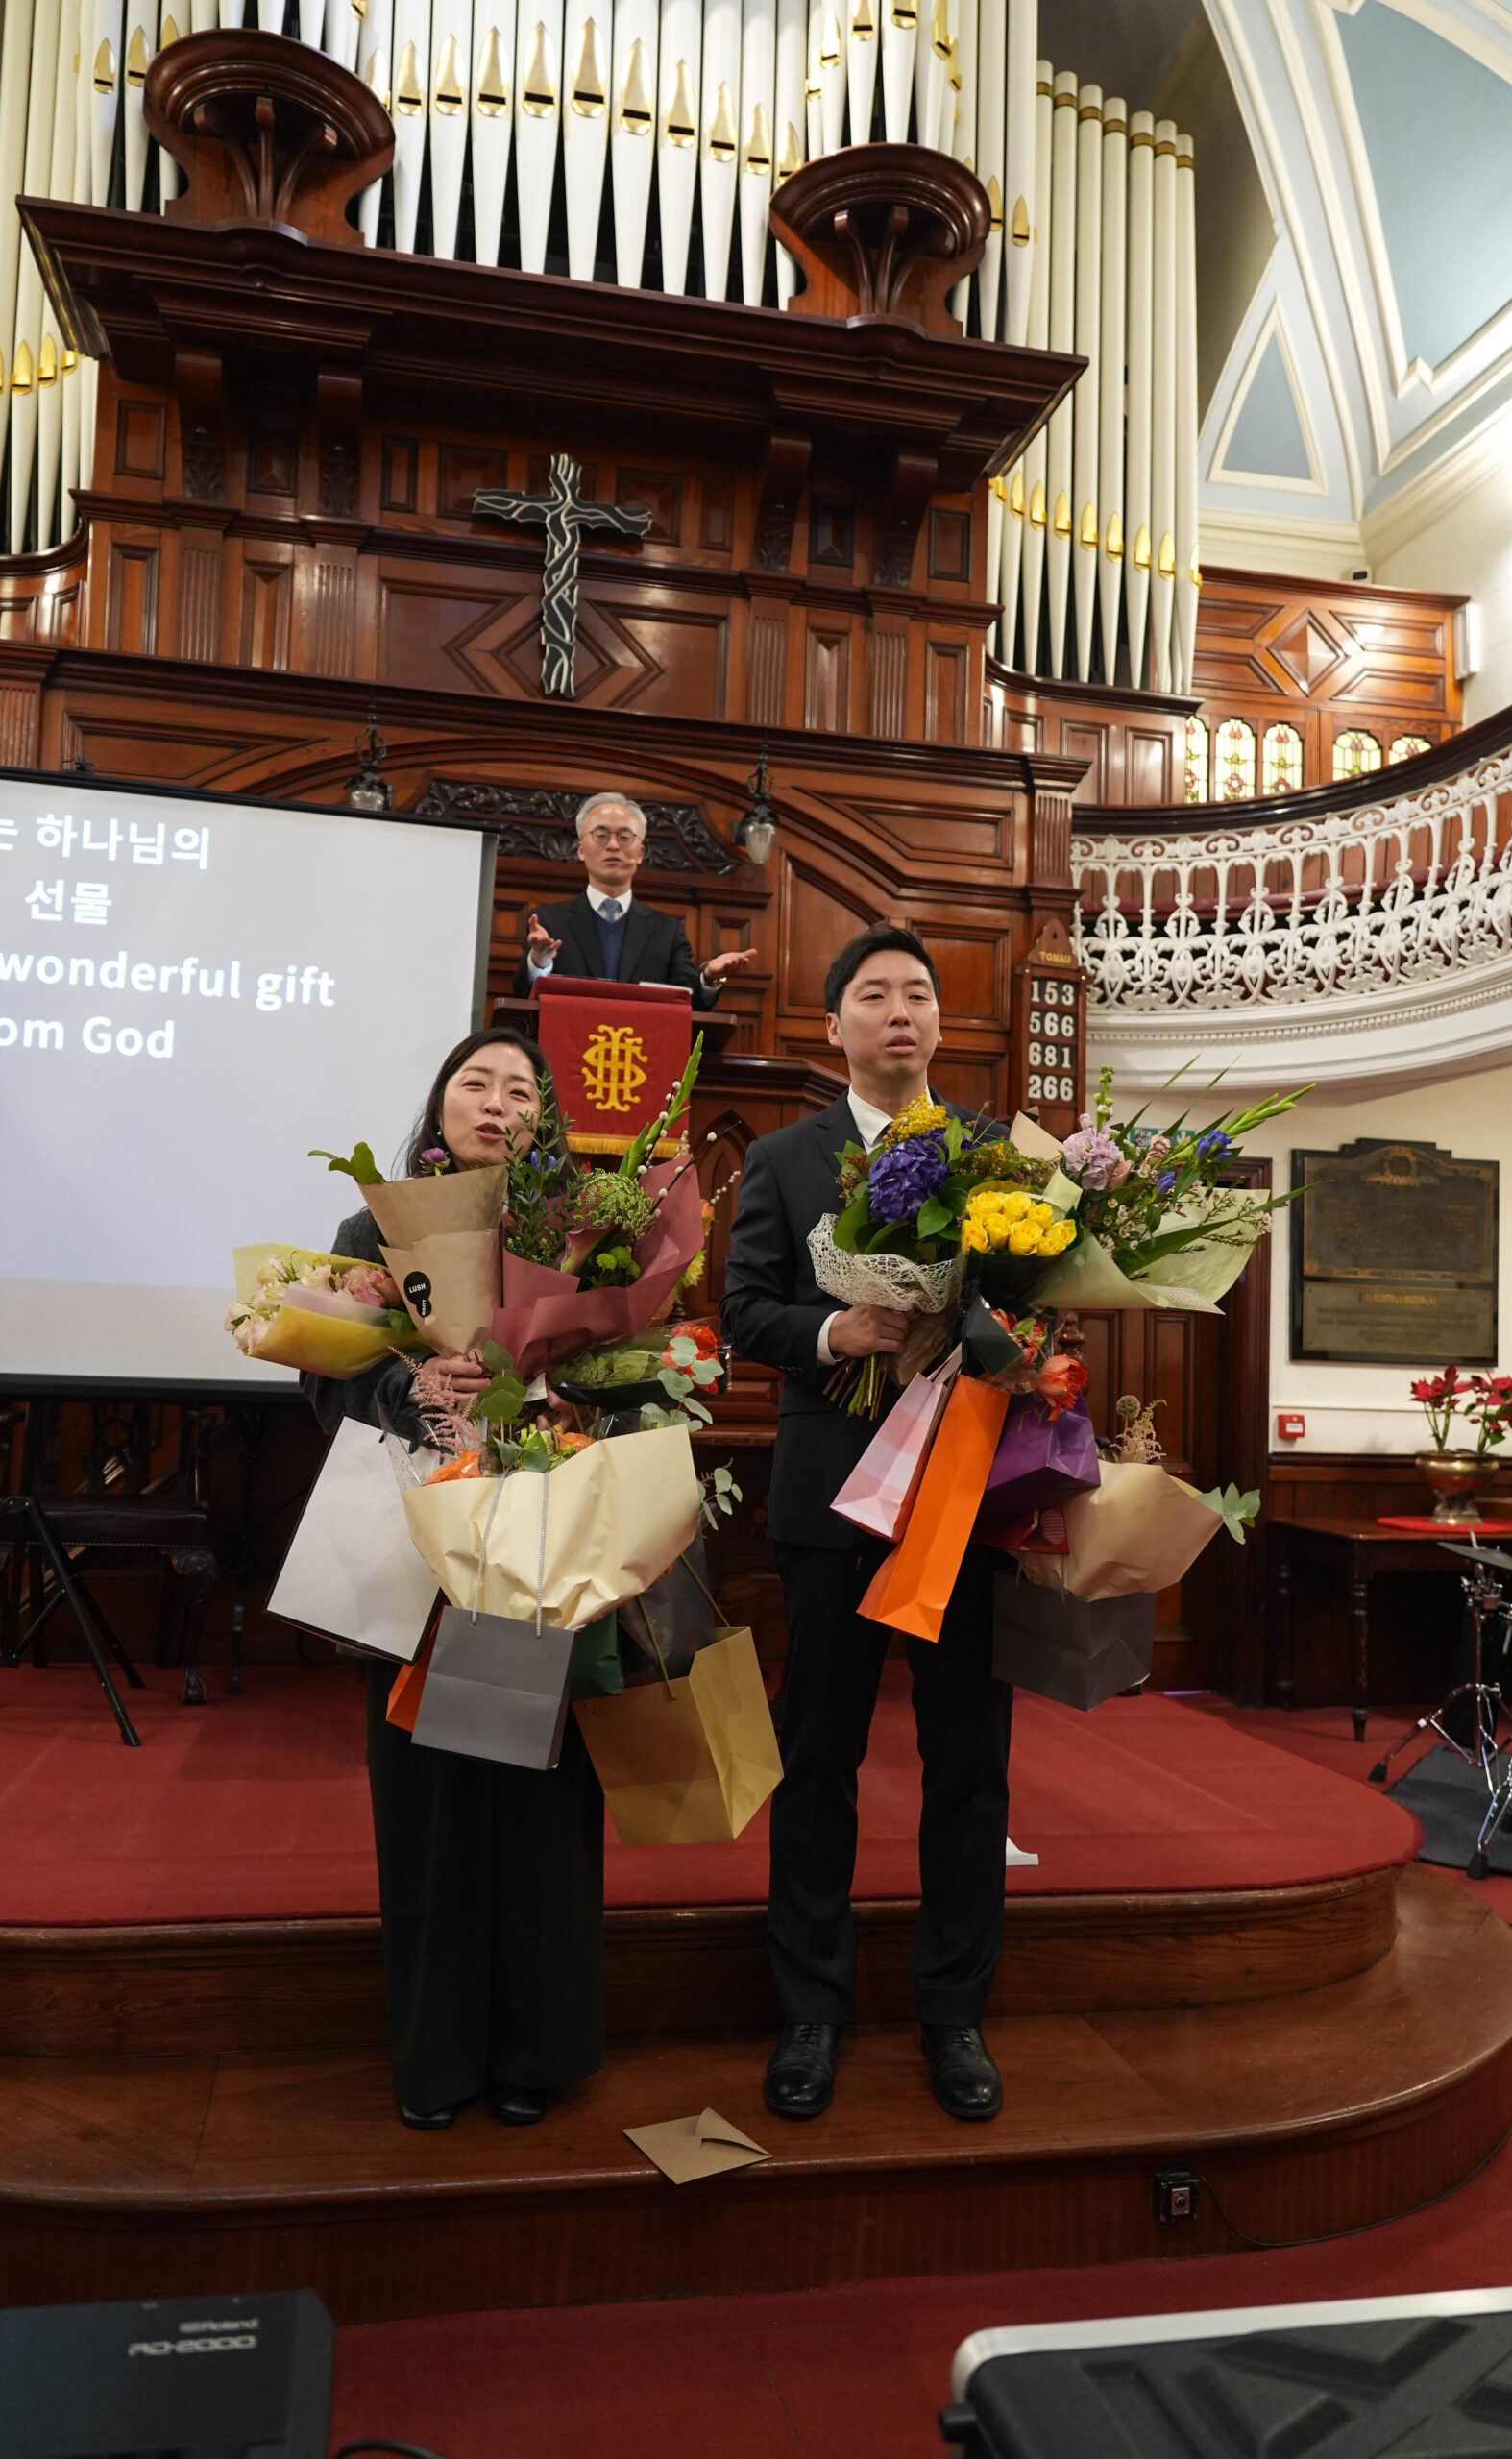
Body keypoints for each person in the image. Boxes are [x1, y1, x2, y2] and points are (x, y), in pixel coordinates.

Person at [719, 925, 1012, 2127]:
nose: (901, 1011)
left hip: (963, 1495)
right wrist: (833, 1331)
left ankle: (955, 2011)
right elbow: (744, 1308)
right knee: (819, 1756)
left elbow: (1038, 1296)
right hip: (834, 1495)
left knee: (970, 1764)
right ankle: (811, 2010)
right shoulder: (785, 1157)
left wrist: (1008, 1339)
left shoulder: (995, 1156)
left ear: (941, 1023)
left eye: (919, 994)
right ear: (834, 1025)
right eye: (875, 994)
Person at [301, 1028, 604, 2132]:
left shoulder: (580, 1238)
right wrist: (414, 1390)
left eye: (521, 1089)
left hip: (535, 1538)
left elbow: (632, 1372)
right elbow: (324, 1377)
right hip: (416, 1547)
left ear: (542, 1124)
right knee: (427, 1802)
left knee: (534, 1799)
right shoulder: (372, 1232)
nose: (496, 1100)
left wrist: (555, 1398)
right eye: (475, 1081)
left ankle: (535, 2052)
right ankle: (435, 2060)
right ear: (439, 1105)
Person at [513, 791, 756, 1007]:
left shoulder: (667, 932)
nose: (613, 845)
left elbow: (688, 1003)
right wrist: (540, 961)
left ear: (639, 853)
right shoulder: (549, 923)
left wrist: (710, 978)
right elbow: (523, 996)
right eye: (601, 835)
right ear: (581, 850)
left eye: (624, 836)